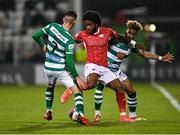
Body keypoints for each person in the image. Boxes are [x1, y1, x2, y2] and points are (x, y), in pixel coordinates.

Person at [61, 10, 145, 122]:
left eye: (90, 24)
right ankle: (71, 89)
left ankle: (123, 116)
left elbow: (120, 37)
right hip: (91, 65)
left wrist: (133, 43)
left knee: (119, 88)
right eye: (86, 25)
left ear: (97, 24)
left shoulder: (107, 32)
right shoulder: (82, 34)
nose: (87, 27)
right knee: (91, 84)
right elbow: (71, 41)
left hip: (105, 68)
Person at [92, 20, 174, 123]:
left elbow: (143, 54)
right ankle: (97, 115)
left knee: (131, 91)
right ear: (127, 31)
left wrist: (161, 58)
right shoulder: (116, 39)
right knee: (101, 87)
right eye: (129, 33)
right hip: (104, 68)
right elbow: (101, 45)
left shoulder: (131, 46)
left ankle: (133, 117)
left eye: (133, 34)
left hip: (116, 70)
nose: (130, 35)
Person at [32, 10, 90, 126]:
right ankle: (81, 115)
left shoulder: (52, 26)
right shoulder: (69, 40)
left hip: (48, 68)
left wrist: (43, 45)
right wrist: (77, 77)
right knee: (77, 92)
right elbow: (69, 61)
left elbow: (35, 35)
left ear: (64, 19)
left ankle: (48, 111)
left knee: (50, 86)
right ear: (73, 24)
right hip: (60, 70)